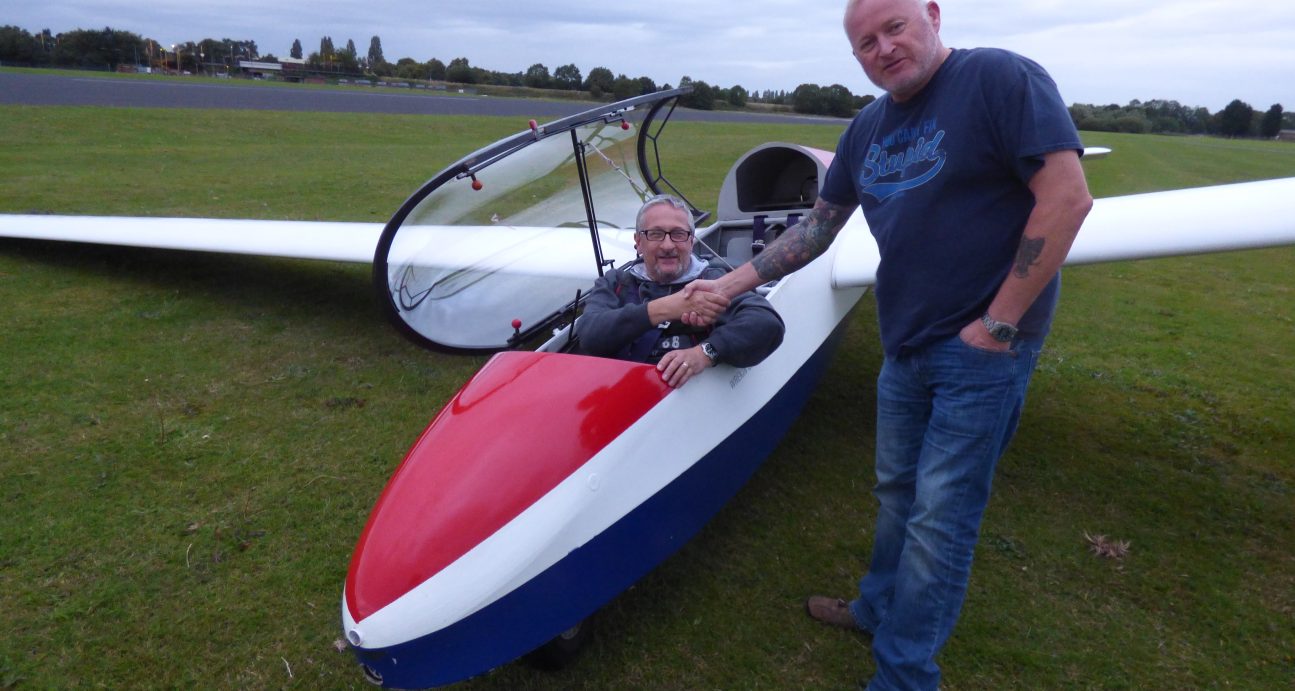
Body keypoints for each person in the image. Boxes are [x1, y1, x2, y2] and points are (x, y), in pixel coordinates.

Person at [684, 0, 1093, 688]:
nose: (882, 48)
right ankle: (876, 608)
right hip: (903, 343)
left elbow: (1066, 198)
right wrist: (729, 285)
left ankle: (903, 675)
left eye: (894, 27)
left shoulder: (998, 78)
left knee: (939, 521)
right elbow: (817, 229)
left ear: (932, 14)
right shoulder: (866, 127)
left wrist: (996, 325)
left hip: (981, 351)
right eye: (865, 42)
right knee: (897, 493)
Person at [578, 194, 784, 388]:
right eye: (656, 234)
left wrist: (704, 353)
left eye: (678, 234)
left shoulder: (714, 281)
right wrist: (668, 307)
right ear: (639, 242)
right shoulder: (616, 282)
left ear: (691, 241)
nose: (668, 245)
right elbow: (589, 335)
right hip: (622, 391)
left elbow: (766, 323)